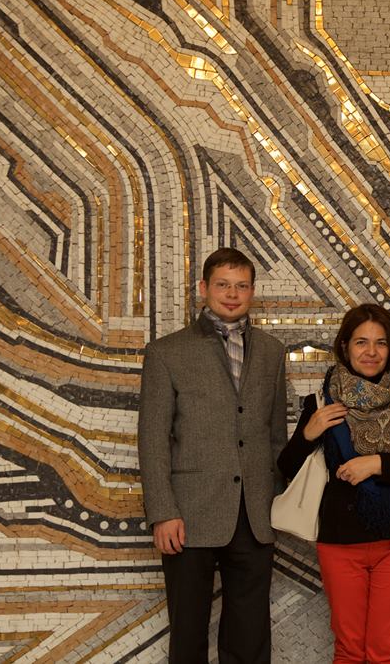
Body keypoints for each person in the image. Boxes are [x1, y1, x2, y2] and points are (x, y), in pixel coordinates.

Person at [137, 247, 288, 663]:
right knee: (188, 633)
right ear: (204, 288)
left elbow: (275, 436)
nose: (232, 294)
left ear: (252, 291)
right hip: (187, 515)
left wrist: (276, 503)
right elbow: (152, 439)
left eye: (241, 286)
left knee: (250, 636)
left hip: (254, 514)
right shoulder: (167, 352)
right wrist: (162, 512)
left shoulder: (272, 352)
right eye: (223, 285)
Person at [278, 303, 390, 664]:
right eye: (361, 342)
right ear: (345, 346)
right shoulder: (322, 401)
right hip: (340, 543)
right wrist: (309, 432)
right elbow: (286, 467)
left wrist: (377, 464)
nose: (371, 352)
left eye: (381, 343)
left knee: (384, 651)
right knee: (349, 648)